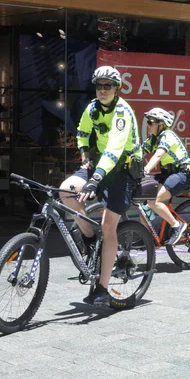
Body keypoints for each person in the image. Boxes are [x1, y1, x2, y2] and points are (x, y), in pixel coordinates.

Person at [60, 65, 143, 306]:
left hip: (123, 169)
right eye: (99, 85)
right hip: (99, 165)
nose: (102, 90)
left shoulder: (122, 111)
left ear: (117, 88)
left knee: (109, 227)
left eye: (108, 86)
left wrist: (95, 178)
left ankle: (103, 288)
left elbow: (116, 147)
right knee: (66, 190)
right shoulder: (92, 108)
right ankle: (87, 237)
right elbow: (82, 132)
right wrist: (85, 155)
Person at [142, 108, 190, 245]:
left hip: (183, 173)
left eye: (150, 122)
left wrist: (147, 168)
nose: (148, 126)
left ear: (160, 124)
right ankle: (145, 238)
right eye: (147, 123)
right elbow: (139, 151)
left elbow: (159, 155)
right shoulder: (154, 139)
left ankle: (177, 226)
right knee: (143, 199)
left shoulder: (168, 135)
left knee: (154, 201)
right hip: (169, 174)